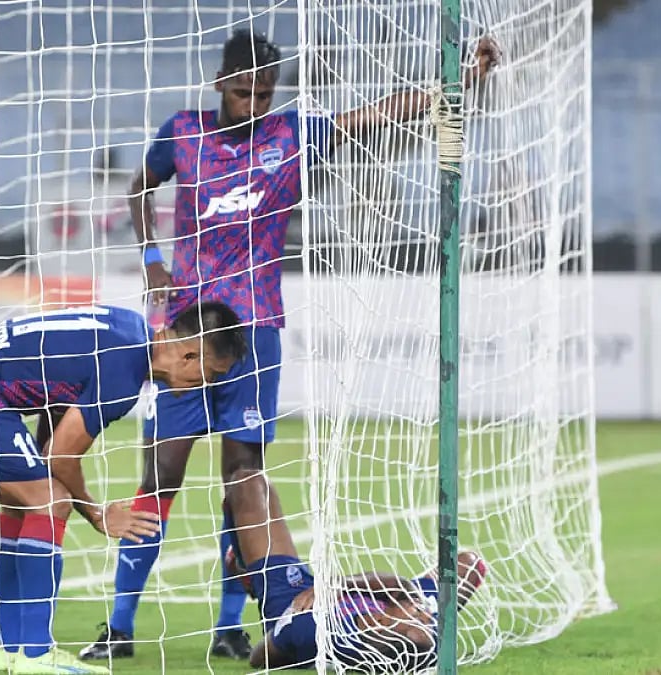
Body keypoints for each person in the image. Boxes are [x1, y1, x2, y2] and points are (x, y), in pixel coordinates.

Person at [81, 28, 501, 661]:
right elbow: (140, 186)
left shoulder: (291, 134)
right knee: (159, 475)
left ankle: (229, 624)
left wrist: (459, 81)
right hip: (186, 334)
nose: (253, 103)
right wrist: (152, 259)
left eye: (264, 93)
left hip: (256, 334)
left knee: (243, 474)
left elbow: (381, 111)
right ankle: (120, 624)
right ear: (221, 83)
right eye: (244, 90)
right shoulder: (184, 132)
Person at [0, 301, 247, 674]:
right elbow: (59, 454)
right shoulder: (124, 373)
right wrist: (96, 513)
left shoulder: (126, 326)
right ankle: (35, 654)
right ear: (189, 355)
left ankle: (11, 650)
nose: (209, 384)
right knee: (52, 502)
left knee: (23, 506)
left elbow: (54, 405)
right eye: (213, 373)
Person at [221, 468, 489, 671]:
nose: (426, 614)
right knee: (468, 561)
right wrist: (339, 584)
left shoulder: (312, 629)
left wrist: (293, 644)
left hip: (294, 599)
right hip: (351, 592)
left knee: (248, 483)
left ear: (379, 621)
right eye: (430, 621)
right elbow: (470, 565)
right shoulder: (418, 619)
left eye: (418, 614)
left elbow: (260, 657)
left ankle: (246, 572)